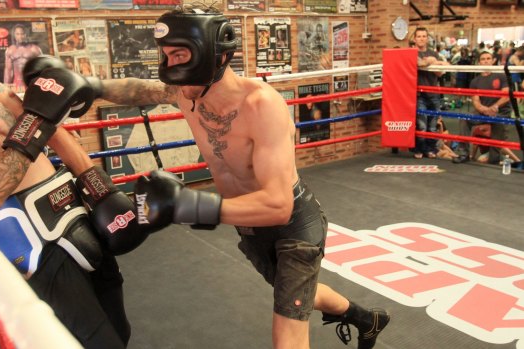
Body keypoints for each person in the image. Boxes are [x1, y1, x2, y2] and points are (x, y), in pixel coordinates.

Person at [73, 7, 390, 349]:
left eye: (179, 54)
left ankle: (361, 319)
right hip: (249, 225)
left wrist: (187, 206)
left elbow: (278, 205)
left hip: (295, 225)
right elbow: (139, 90)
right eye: (166, 55)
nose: (170, 67)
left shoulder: (260, 105)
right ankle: (365, 318)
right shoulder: (186, 92)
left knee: (287, 330)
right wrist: (91, 86)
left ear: (212, 53)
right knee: (298, 294)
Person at [0, 8, 145, 348]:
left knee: (120, 331)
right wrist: (36, 119)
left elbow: (52, 128)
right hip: (35, 247)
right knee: (97, 342)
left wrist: (98, 186)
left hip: (74, 214)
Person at [453, 51, 511, 165]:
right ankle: (463, 153)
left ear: (493, 60)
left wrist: (494, 107)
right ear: (479, 62)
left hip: (500, 112)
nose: (486, 61)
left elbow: (506, 96)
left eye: (488, 58)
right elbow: (476, 101)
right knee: (465, 119)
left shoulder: (501, 75)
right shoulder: (475, 81)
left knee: (498, 124)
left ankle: (494, 159)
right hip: (484, 112)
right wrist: (485, 110)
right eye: (483, 59)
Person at [413, 27, 450, 159]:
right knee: (421, 125)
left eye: (424, 36)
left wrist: (436, 62)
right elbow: (420, 63)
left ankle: (430, 149)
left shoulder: (433, 54)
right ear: (414, 39)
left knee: (432, 125)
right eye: (419, 36)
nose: (422, 38)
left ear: (427, 38)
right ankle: (420, 149)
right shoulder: (412, 52)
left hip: (433, 92)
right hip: (419, 94)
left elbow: (441, 71)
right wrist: (432, 62)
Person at [3, 24, 42, 93]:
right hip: (17, 84)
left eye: (22, 34)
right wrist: (6, 87)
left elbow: (42, 68)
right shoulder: (10, 50)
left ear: (26, 35)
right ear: (14, 35)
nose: (20, 36)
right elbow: (8, 70)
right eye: (17, 34)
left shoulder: (34, 49)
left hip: (31, 83)